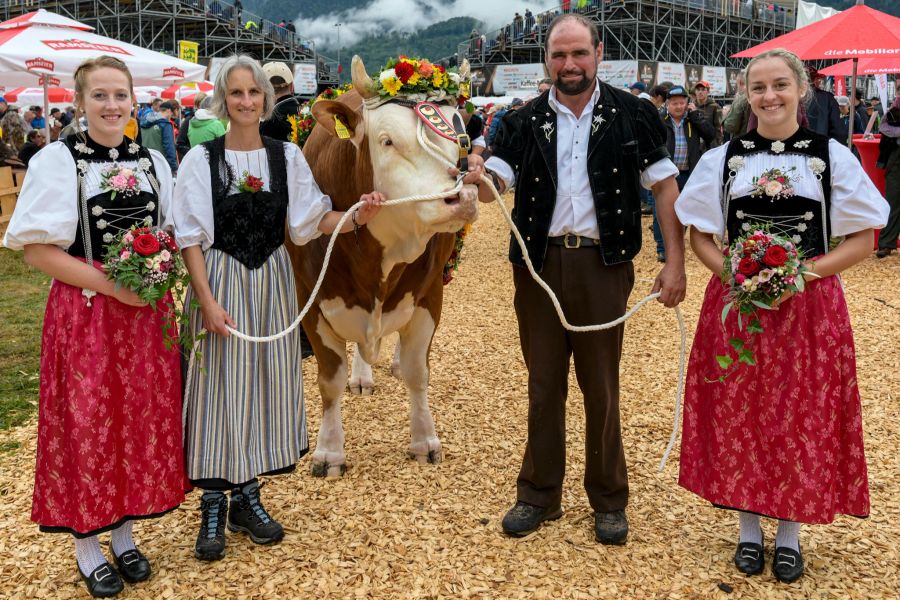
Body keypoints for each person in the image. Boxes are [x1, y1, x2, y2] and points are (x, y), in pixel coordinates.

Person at [675, 48, 887, 584]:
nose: (769, 97)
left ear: (801, 90)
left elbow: (865, 237)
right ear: (746, 93)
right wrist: (732, 275)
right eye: (758, 87)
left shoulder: (830, 156)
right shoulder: (723, 158)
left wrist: (802, 276)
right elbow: (699, 233)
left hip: (808, 307)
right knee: (741, 408)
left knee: (801, 413)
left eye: (779, 86)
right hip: (739, 305)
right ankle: (749, 529)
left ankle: (789, 533)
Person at [477, 14, 685, 544]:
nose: (569, 65)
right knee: (544, 383)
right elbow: (492, 185)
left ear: (598, 54)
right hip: (538, 268)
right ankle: (538, 495)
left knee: (602, 385)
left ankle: (609, 500)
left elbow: (664, 188)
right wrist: (471, 180)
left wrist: (675, 261)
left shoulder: (632, 113)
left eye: (578, 54)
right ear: (547, 60)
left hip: (603, 265)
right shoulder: (522, 121)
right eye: (558, 55)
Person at [173, 54, 384, 562]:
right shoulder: (200, 160)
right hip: (220, 281)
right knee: (216, 390)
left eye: (254, 93)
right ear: (223, 101)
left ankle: (247, 496)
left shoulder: (285, 156)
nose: (246, 101)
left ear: (267, 101)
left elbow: (310, 222)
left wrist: (359, 215)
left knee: (260, 387)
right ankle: (212, 502)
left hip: (269, 283)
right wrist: (206, 301)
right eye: (237, 93)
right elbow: (190, 240)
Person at [2, 55, 186, 598]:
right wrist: (113, 285)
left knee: (136, 418)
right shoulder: (58, 160)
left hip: (146, 316)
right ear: (79, 102)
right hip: (86, 312)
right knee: (88, 421)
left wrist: (159, 270)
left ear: (134, 101)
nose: (111, 105)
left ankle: (124, 535)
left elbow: (171, 232)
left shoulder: (153, 159)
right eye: (99, 96)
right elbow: (35, 249)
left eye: (120, 95)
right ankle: (87, 540)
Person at [663, 86, 716, 189]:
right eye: (674, 103)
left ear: (688, 104)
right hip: (667, 175)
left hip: (689, 173)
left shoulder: (693, 118)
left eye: (682, 103)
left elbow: (710, 135)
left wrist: (695, 115)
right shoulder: (661, 120)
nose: (679, 107)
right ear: (667, 105)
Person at [875, 91, 900, 258]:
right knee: (893, 199)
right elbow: (883, 127)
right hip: (896, 157)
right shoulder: (896, 106)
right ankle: (886, 244)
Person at [804, 66, 846, 143]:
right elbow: (838, 130)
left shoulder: (790, 96)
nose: (820, 82)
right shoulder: (828, 98)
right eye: (818, 79)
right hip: (821, 146)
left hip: (793, 148)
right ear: (814, 80)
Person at [139, 100, 179, 174]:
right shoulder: (165, 124)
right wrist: (174, 167)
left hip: (145, 163)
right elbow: (169, 147)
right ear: (169, 111)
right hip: (160, 164)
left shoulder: (143, 122)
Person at [692, 80, 723, 148]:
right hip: (695, 145)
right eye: (698, 89)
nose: (700, 92)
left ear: (708, 92)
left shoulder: (715, 107)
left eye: (703, 90)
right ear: (695, 91)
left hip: (710, 145)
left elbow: (718, 128)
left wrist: (716, 145)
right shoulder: (691, 106)